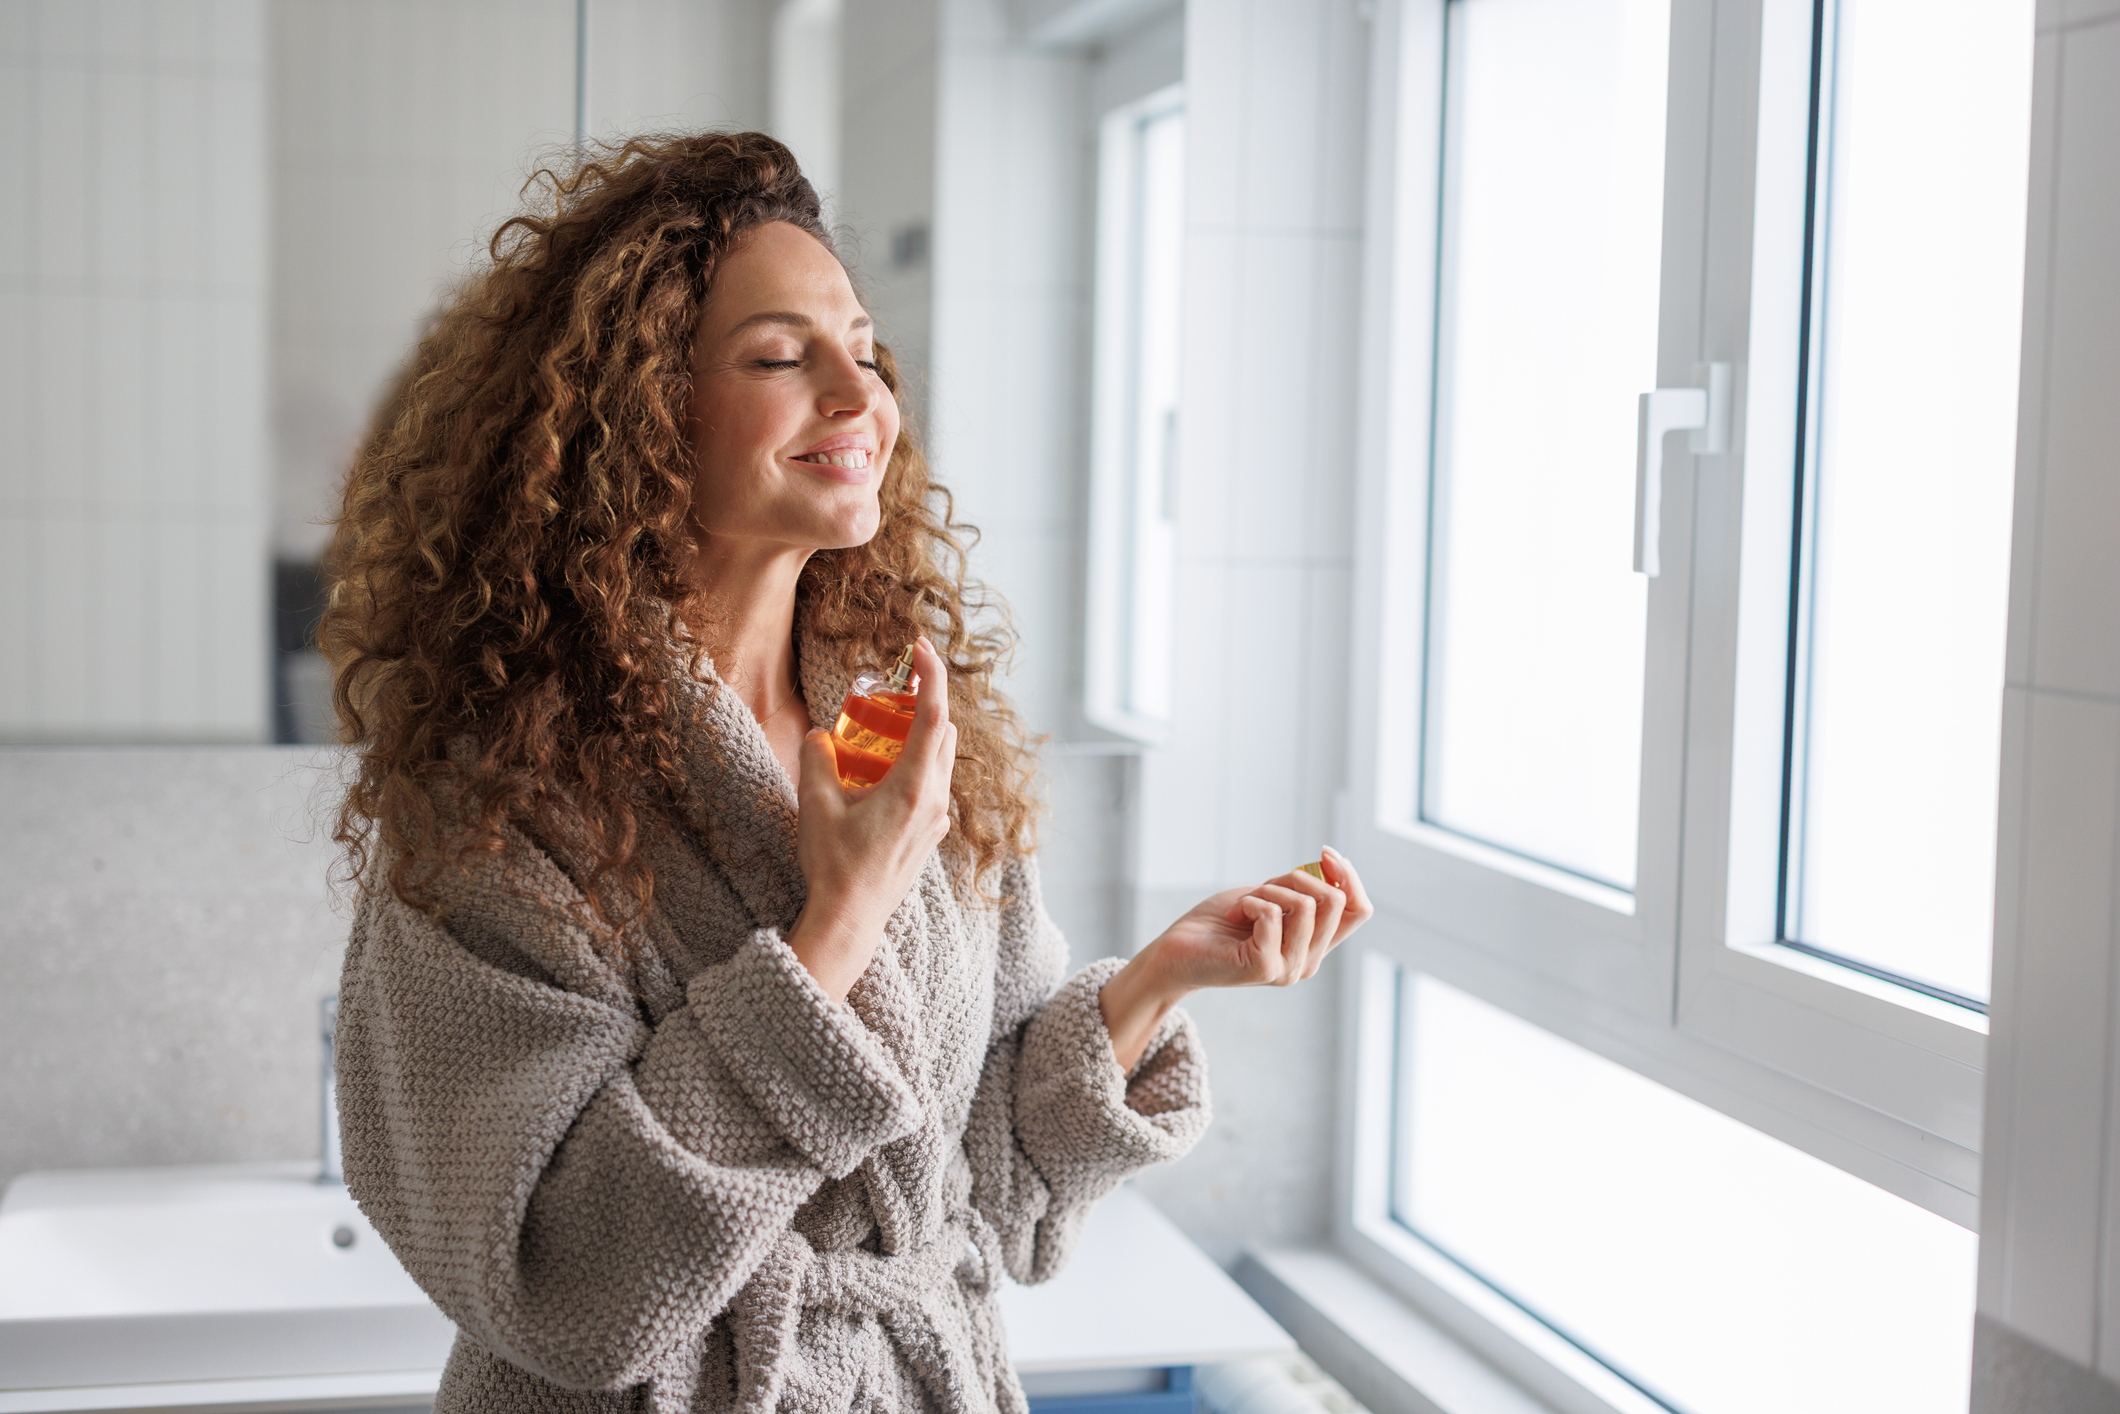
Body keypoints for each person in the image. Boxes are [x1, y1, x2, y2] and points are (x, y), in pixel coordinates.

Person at [321, 131, 1373, 1414]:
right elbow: (563, 1278)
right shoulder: (500, 796)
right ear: (637, 413)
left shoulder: (895, 714)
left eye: (864, 351)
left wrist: (1156, 982)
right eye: (779, 356)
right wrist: (838, 923)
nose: (861, 394)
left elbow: (973, 1179)